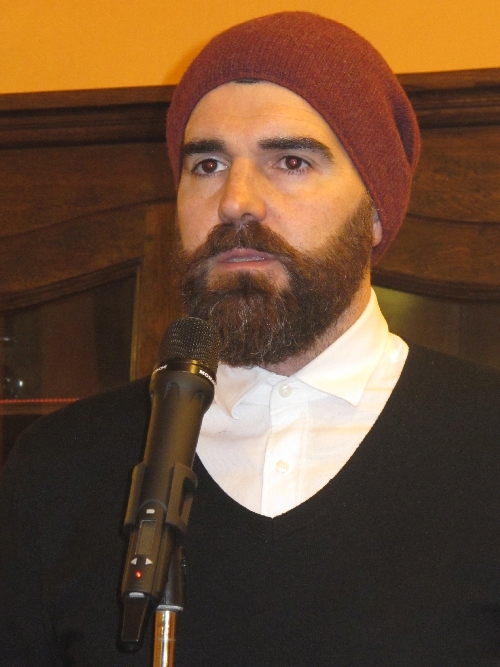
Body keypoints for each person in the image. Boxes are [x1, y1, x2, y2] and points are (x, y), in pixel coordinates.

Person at [1, 11, 500, 667]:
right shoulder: (57, 467)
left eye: (290, 161)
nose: (235, 200)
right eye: (207, 164)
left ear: (377, 210)